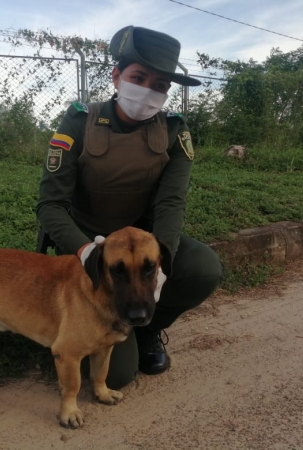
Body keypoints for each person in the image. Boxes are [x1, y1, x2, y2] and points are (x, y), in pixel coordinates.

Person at [36, 25, 223, 389]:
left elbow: (171, 202)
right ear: (117, 76)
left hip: (142, 243)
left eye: (160, 86)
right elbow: (50, 206)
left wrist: (162, 256)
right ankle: (66, 330)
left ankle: (145, 328)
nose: (149, 92)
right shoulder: (80, 120)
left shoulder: (173, 130)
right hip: (86, 242)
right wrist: (88, 249)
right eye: (139, 78)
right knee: (118, 378)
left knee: (203, 269)